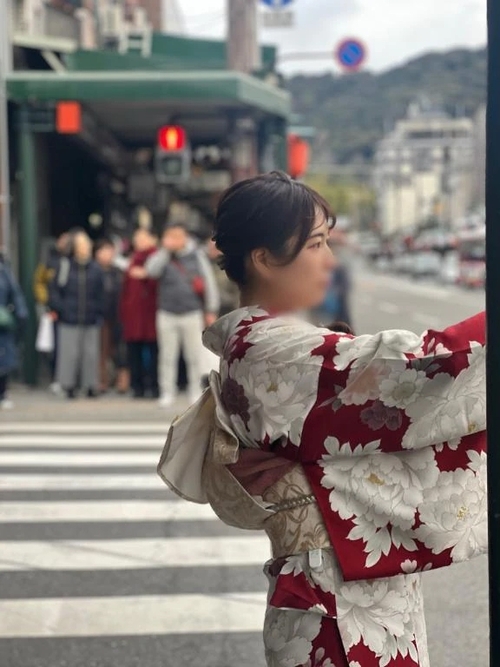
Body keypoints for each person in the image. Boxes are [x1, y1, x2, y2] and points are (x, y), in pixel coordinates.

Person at [158, 171, 486, 667]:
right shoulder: (272, 351)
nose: (329, 259)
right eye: (315, 244)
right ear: (264, 258)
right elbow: (420, 367)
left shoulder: (259, 344)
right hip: (333, 601)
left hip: (340, 588)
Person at [133, 222, 220, 407]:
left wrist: (211, 309)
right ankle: (167, 392)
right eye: (169, 236)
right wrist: (165, 251)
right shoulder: (163, 256)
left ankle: (195, 390)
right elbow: (151, 271)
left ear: (184, 237)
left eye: (176, 236)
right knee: (167, 356)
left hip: (192, 312)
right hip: (166, 312)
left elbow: (208, 282)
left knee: (193, 355)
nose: (172, 240)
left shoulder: (197, 255)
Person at [48, 231, 104, 399]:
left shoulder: (96, 268)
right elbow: (54, 290)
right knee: (69, 353)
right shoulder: (64, 266)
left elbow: (101, 293)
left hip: (90, 317)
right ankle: (68, 385)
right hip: (69, 317)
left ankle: (90, 385)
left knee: (90, 353)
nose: (85, 247)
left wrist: (99, 310)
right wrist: (61, 308)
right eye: (81, 244)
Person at [119, 228, 159, 399]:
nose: (140, 242)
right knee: (134, 351)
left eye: (143, 238)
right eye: (137, 239)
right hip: (134, 315)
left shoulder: (157, 258)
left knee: (154, 351)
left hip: (151, 313)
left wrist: (146, 274)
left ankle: (154, 386)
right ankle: (137, 386)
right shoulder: (133, 260)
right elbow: (125, 290)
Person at [94, 238, 129, 394]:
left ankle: (122, 380)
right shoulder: (93, 270)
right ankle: (102, 379)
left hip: (119, 314)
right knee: (101, 348)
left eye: (109, 250)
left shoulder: (119, 272)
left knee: (120, 349)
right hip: (100, 314)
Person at [0, 255, 28, 409]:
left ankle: (2, 392)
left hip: (2, 322)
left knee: (4, 357)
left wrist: (20, 316)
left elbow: (16, 295)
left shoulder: (5, 271)